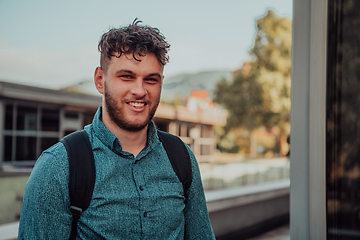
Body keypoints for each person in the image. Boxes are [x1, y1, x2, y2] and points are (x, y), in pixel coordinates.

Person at [18, 20, 215, 239]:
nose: (140, 91)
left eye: (151, 79)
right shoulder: (58, 167)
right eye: (127, 77)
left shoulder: (181, 157)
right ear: (100, 80)